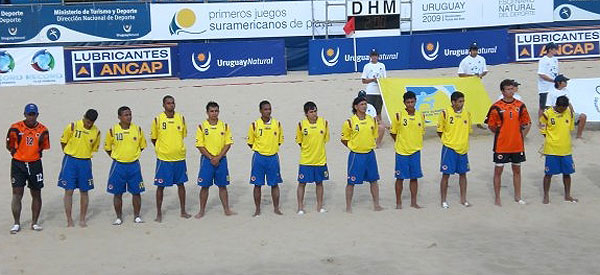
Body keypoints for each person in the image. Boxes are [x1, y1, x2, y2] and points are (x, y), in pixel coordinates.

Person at [485, 79, 531, 206]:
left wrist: (519, 136)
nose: (511, 91)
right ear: (502, 91)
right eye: (508, 89)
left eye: (512, 89)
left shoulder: (520, 105)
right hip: (502, 145)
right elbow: (491, 125)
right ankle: (497, 198)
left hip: (517, 145)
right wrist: (502, 134)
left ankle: (518, 196)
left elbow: (526, 123)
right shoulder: (496, 107)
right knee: (498, 171)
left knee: (517, 171)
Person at [6, 103, 50, 234]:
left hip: (35, 164)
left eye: (33, 114)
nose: (31, 117)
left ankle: (34, 223)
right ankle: (16, 223)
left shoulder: (43, 130)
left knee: (36, 193)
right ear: (24, 114)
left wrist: (33, 155)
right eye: (29, 114)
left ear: (37, 115)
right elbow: (9, 145)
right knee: (17, 194)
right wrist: (17, 154)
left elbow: (43, 146)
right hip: (18, 164)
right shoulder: (15, 128)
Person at [151, 95, 191, 222]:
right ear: (163, 105)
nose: (171, 105)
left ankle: (183, 211)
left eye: (173, 103)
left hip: (179, 157)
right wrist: (162, 149)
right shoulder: (158, 119)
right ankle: (159, 213)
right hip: (164, 159)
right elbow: (154, 138)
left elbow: (182, 135)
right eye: (168, 103)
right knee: (160, 186)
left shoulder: (181, 118)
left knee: (181, 184)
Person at [104, 106, 147, 225]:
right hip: (118, 166)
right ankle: (118, 217)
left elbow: (142, 146)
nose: (128, 117)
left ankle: (137, 216)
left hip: (134, 165)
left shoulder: (137, 129)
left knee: (136, 192)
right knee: (117, 193)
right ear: (119, 117)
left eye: (130, 114)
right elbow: (107, 148)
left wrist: (132, 155)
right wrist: (117, 156)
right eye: (126, 115)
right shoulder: (113, 130)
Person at [58, 109, 100, 227]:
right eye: (87, 121)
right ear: (84, 117)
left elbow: (94, 148)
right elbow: (63, 141)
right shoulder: (73, 126)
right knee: (69, 190)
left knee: (84, 191)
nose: (88, 124)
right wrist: (70, 152)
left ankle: (82, 218)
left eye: (91, 122)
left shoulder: (96, 132)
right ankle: (69, 219)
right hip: (70, 160)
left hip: (85, 162)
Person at [341, 96, 383, 213]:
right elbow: (344, 139)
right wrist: (353, 147)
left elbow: (375, 135)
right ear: (356, 107)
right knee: (351, 182)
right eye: (362, 104)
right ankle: (348, 206)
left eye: (365, 104)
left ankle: (376, 204)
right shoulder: (350, 122)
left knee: (374, 180)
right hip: (356, 155)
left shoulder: (372, 120)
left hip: (370, 154)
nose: (364, 106)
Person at [195, 101, 236, 218]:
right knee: (204, 186)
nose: (214, 113)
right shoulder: (201, 126)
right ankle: (201, 210)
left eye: (216, 111)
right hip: (207, 160)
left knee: (223, 186)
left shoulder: (225, 126)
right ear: (207, 112)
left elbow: (228, 144)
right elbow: (200, 145)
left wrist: (218, 157)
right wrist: (211, 157)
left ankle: (227, 209)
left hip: (221, 160)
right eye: (212, 111)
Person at [247, 100, 284, 217]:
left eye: (269, 109)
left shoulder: (277, 124)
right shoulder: (254, 125)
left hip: (273, 157)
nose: (268, 111)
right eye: (265, 109)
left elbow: (279, 141)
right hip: (259, 158)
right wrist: (261, 150)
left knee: (275, 184)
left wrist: (270, 149)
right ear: (260, 111)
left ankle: (276, 208)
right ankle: (257, 209)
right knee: (257, 184)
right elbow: (250, 142)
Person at [389, 91, 425, 209]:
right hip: (402, 152)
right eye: (408, 102)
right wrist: (401, 142)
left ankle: (413, 202)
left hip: (415, 151)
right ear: (404, 103)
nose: (410, 104)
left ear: (415, 101)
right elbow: (393, 133)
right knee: (400, 178)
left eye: (412, 102)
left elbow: (421, 132)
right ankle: (398, 202)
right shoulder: (399, 116)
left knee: (414, 177)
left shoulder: (420, 115)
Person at [540, 96, 578, 204]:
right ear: (557, 105)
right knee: (548, 174)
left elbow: (570, 128)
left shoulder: (568, 112)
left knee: (567, 173)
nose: (563, 110)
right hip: (552, 149)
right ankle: (546, 195)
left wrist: (569, 108)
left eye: (565, 108)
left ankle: (567, 195)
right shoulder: (547, 114)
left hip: (566, 149)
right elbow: (542, 128)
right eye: (561, 108)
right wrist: (549, 139)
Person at [438, 92, 471, 208]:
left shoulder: (467, 114)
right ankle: (443, 200)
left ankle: (463, 199)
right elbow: (440, 131)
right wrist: (448, 141)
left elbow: (468, 130)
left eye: (463, 101)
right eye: (459, 101)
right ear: (453, 102)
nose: (462, 104)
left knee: (463, 174)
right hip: (449, 148)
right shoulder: (445, 113)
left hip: (462, 149)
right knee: (446, 174)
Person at [295, 101, 330, 215]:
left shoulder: (324, 123)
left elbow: (325, 139)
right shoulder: (301, 125)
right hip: (306, 160)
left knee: (319, 183)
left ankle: (319, 206)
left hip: (320, 159)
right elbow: (299, 142)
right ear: (306, 114)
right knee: (302, 183)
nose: (314, 114)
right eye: (311, 112)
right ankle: (300, 207)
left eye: (315, 111)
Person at [361, 50, 387, 146]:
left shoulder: (382, 66)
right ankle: (370, 133)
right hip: (371, 92)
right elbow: (363, 80)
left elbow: (385, 79)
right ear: (370, 57)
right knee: (369, 112)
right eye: (373, 56)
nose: (374, 57)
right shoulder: (367, 66)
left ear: (378, 56)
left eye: (375, 56)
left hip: (379, 92)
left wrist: (379, 81)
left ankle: (378, 133)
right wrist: (372, 79)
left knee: (378, 112)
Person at [537, 42, 559, 118]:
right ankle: (540, 122)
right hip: (545, 87)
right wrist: (553, 80)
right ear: (550, 50)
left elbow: (555, 72)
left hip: (553, 86)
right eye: (555, 49)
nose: (556, 50)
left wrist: (557, 80)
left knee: (553, 104)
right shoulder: (543, 60)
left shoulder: (555, 59)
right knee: (543, 106)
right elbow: (541, 74)